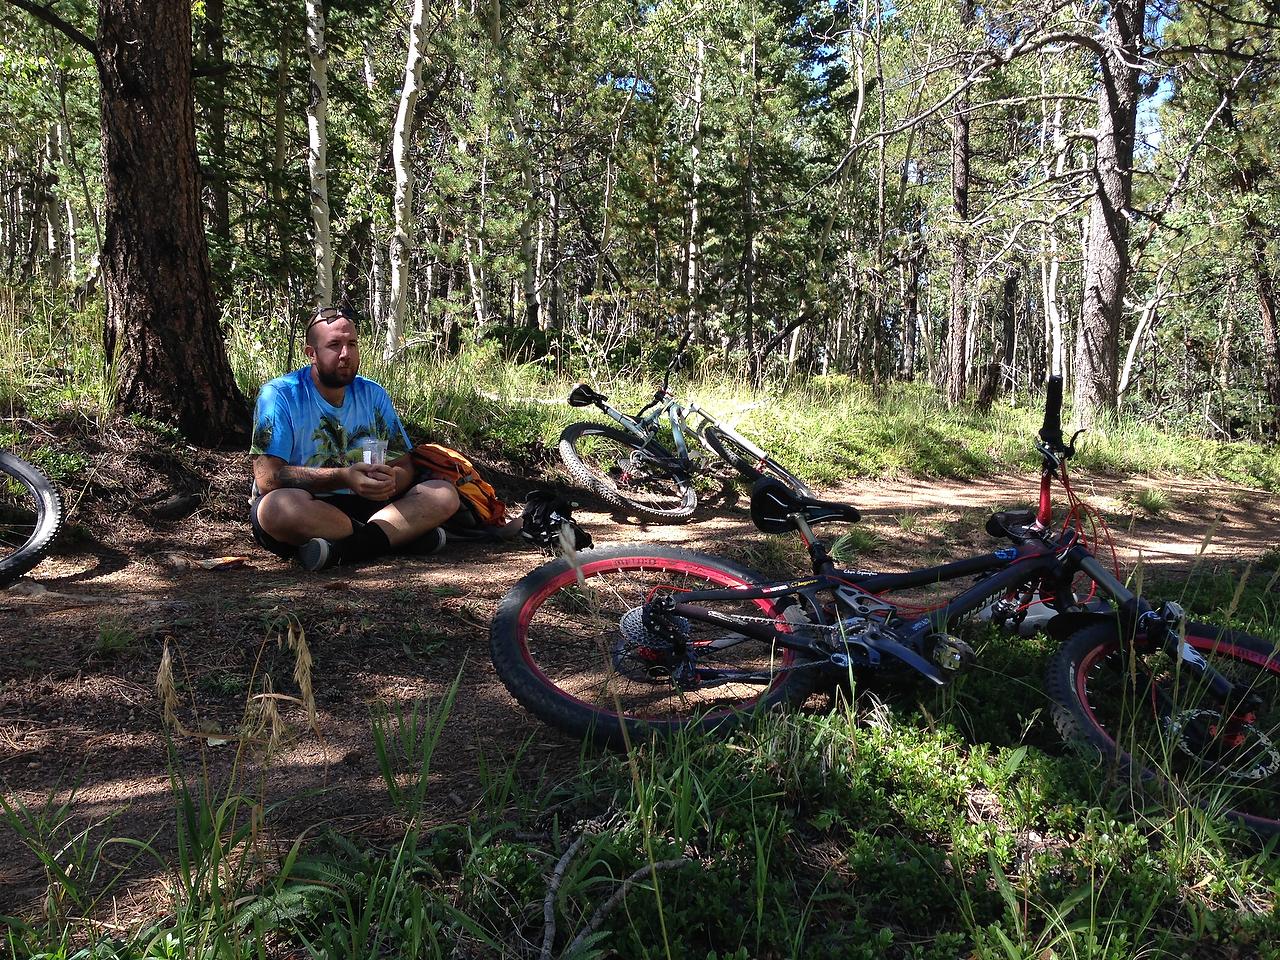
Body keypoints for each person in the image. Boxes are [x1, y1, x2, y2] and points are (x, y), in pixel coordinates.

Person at [249, 305, 459, 571]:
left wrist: (392, 481)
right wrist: (344, 477)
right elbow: (268, 479)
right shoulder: (279, 395)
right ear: (311, 354)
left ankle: (344, 549)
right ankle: (395, 538)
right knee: (276, 508)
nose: (345, 354)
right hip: (310, 506)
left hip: (372, 507)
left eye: (352, 343)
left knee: (443, 494)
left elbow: (404, 464)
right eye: (334, 345)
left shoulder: (373, 394)